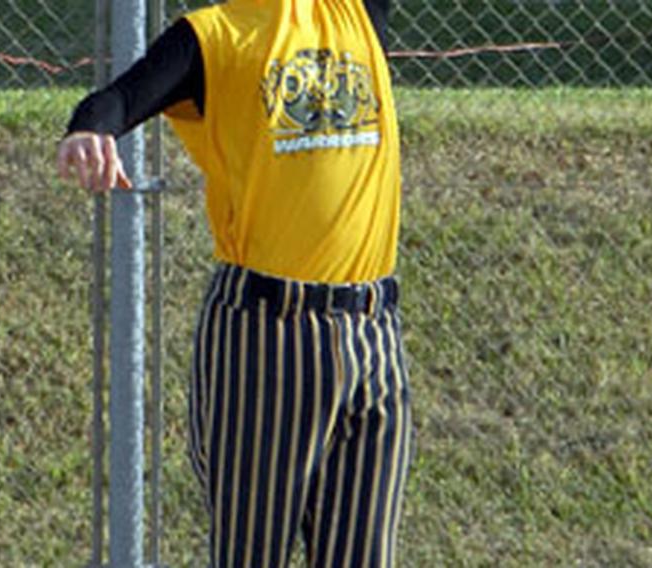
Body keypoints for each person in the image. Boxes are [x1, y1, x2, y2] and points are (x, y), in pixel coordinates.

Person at [57, 1, 411, 566]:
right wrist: (88, 131)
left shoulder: (356, 11)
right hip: (270, 332)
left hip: (373, 330)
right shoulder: (213, 38)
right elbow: (117, 100)